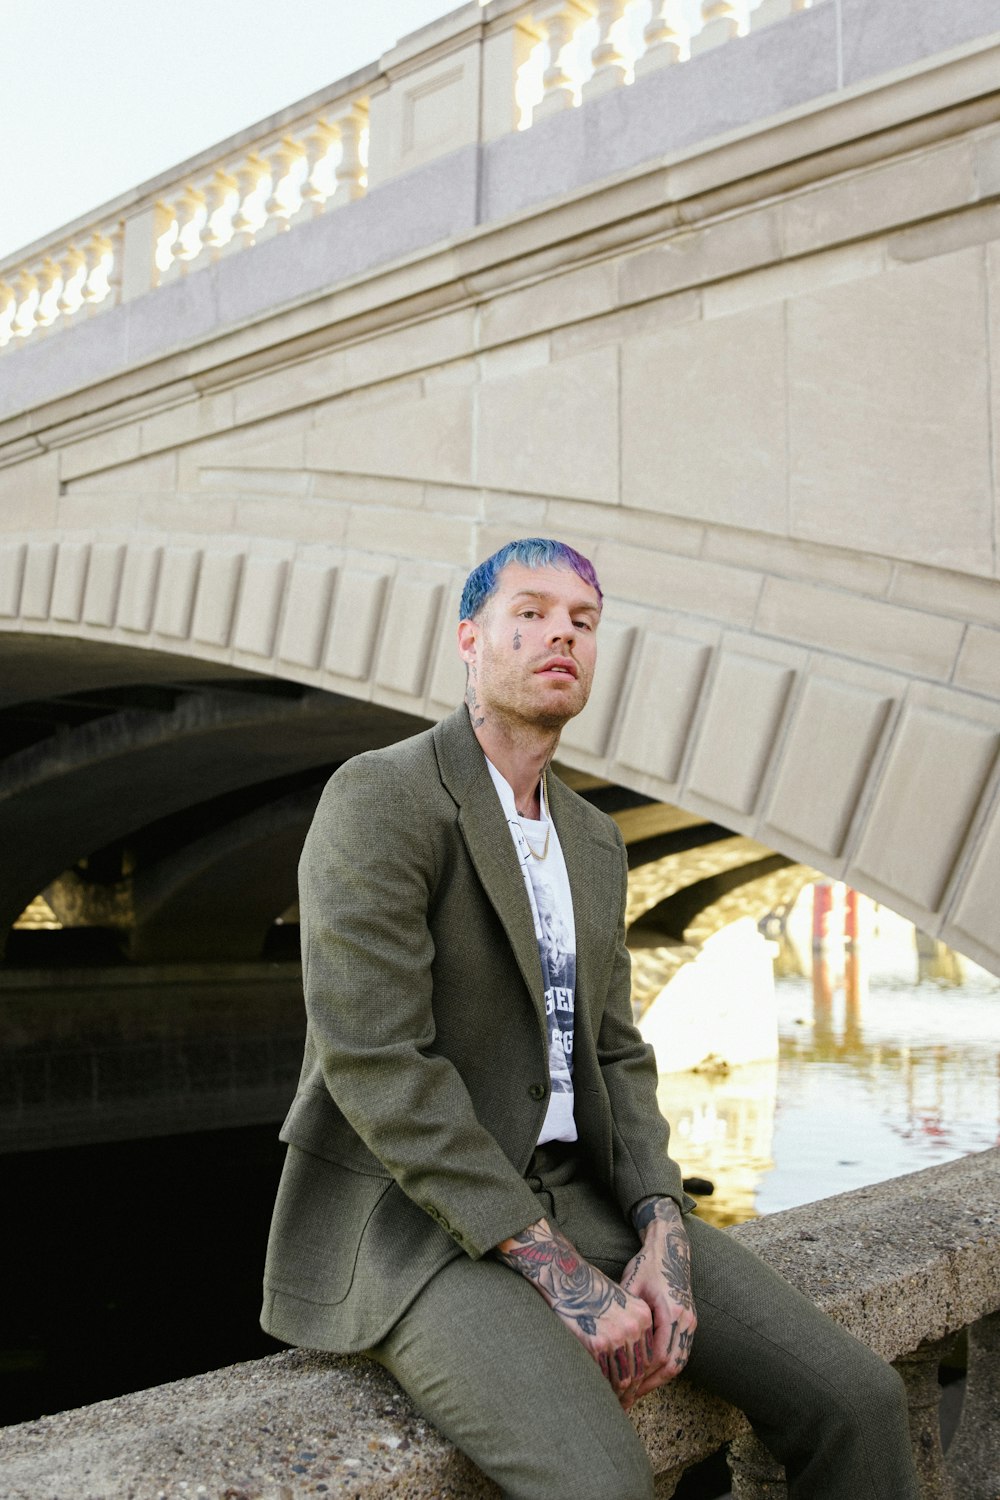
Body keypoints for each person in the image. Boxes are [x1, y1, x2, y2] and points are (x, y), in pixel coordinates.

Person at [262, 538, 919, 1499]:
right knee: (602, 1484)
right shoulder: (383, 796)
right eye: (529, 613)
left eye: (583, 621)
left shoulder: (592, 839)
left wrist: (663, 1233)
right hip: (421, 1226)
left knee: (858, 1403)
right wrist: (565, 1278)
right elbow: (376, 1061)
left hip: (589, 1197)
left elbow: (615, 1051)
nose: (560, 634)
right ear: (469, 638)